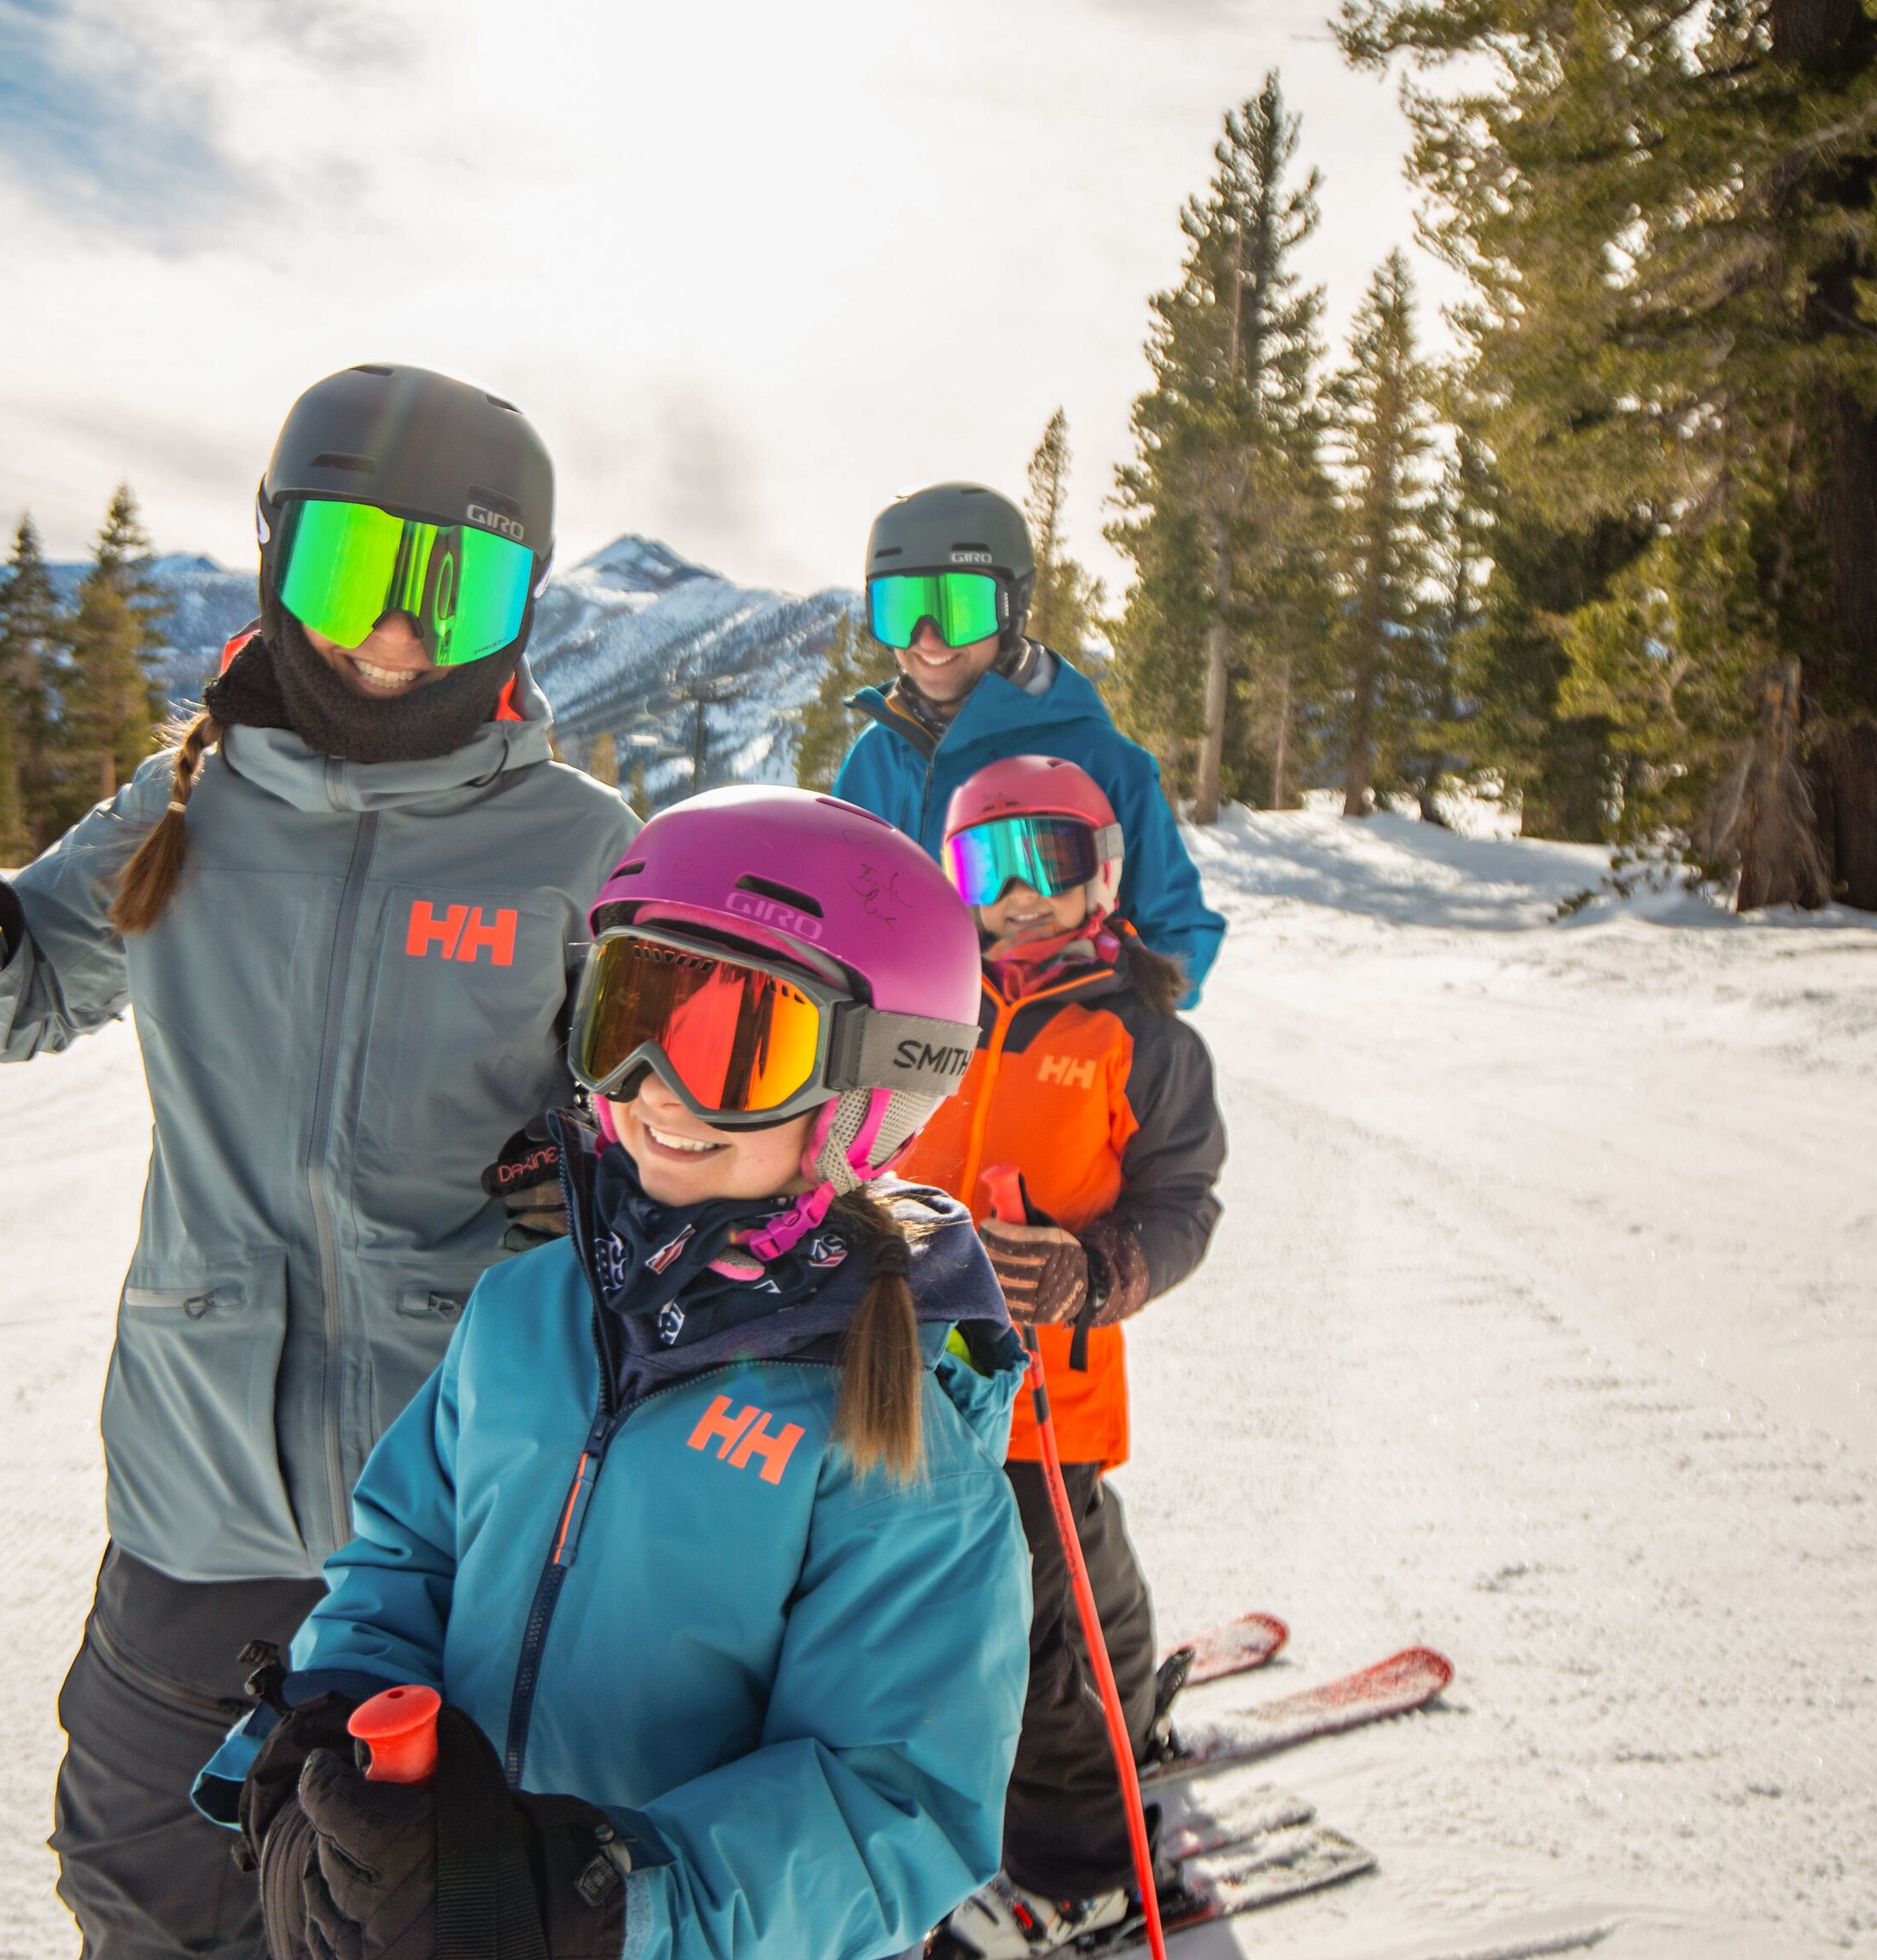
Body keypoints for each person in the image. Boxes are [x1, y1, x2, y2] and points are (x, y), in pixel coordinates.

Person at [0, 363, 640, 1960]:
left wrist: (593, 1177)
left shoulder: (578, 846)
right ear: (275, 551)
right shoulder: (187, 803)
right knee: (150, 1898)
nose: (395, 634)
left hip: (465, 1508)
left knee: (425, 1915)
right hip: (195, 1501)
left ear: (523, 606)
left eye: (456, 589)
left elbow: (669, 1116)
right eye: (352, 567)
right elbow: (26, 973)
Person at [196, 786, 1036, 1960]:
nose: (652, 1084)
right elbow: (406, 1555)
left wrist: (600, 1903)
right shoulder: (526, 1309)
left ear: (871, 1085)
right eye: (630, 1014)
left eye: (736, 1044)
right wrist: (325, 1728)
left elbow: (897, 1806)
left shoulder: (889, 1428)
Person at [894, 756, 1227, 1960]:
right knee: (1067, 1563)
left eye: (1050, 859)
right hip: (914, 1362)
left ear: (1104, 871)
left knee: (1036, 1615)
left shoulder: (1137, 1035)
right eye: (988, 864)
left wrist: (1095, 1274)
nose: (1020, 893)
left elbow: (1181, 1202)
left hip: (1044, 1379)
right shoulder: (931, 1007)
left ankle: (1083, 1869)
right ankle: (1120, 1723)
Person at [831, 482, 1226, 997]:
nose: (927, 638)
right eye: (900, 608)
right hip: (904, 1040)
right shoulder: (876, 755)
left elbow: (1178, 940)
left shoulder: (1100, 761)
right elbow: (835, 913)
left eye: (959, 607)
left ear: (1011, 606)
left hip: (1051, 1041)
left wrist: (1084, 1003)